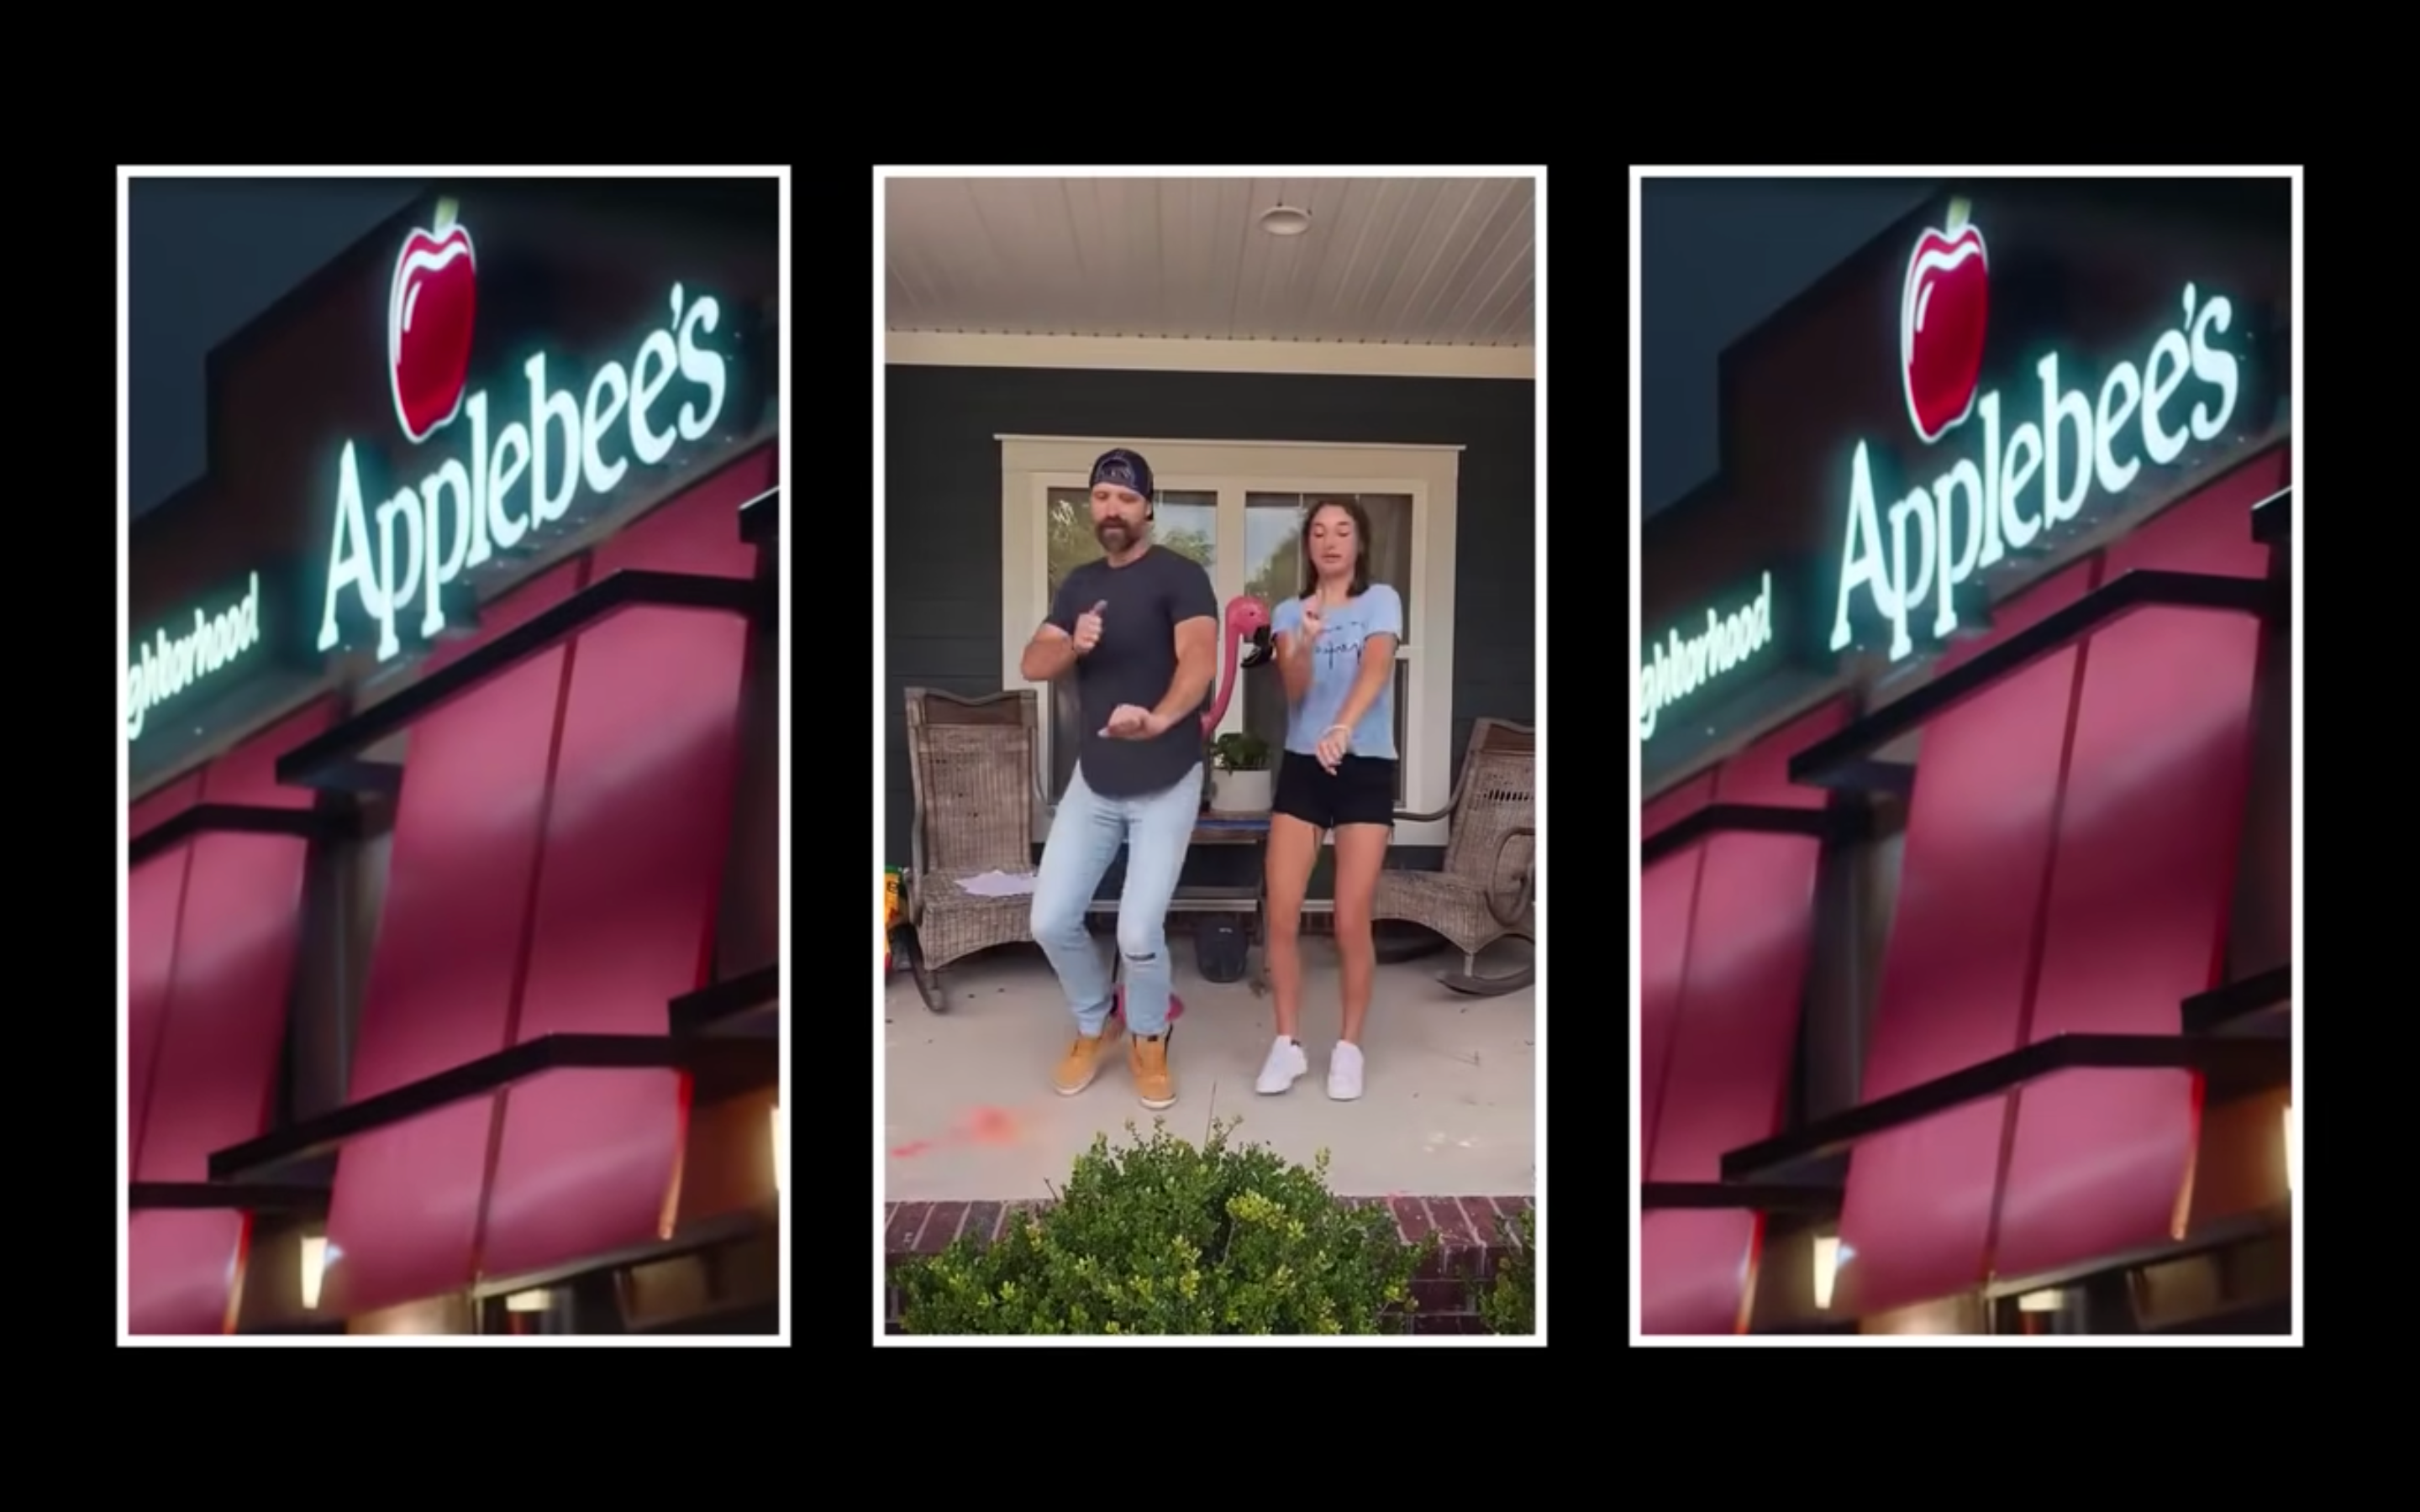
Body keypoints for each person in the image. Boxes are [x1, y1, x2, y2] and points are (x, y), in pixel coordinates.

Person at [1021, 448, 1218, 1110]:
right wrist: (1072, 645)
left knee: (1138, 933)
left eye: (1126, 498)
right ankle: (1094, 1020)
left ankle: (1149, 1035)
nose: (1112, 508)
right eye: (1102, 496)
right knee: (1049, 919)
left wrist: (1160, 719)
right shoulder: (1078, 586)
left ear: (1148, 508)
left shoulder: (1182, 577)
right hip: (1096, 782)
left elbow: (1198, 660)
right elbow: (1033, 661)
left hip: (1166, 779)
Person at [1256, 498, 1402, 1101]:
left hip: (1364, 765)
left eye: (1343, 530)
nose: (1331, 540)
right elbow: (1293, 690)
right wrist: (1301, 644)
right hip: (1302, 768)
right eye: (1318, 531)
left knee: (1348, 918)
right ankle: (1287, 1046)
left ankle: (1348, 1049)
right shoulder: (1291, 610)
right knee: (1283, 912)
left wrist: (1341, 727)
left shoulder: (1380, 600)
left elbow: (1376, 667)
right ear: (1308, 546)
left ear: (1359, 543)